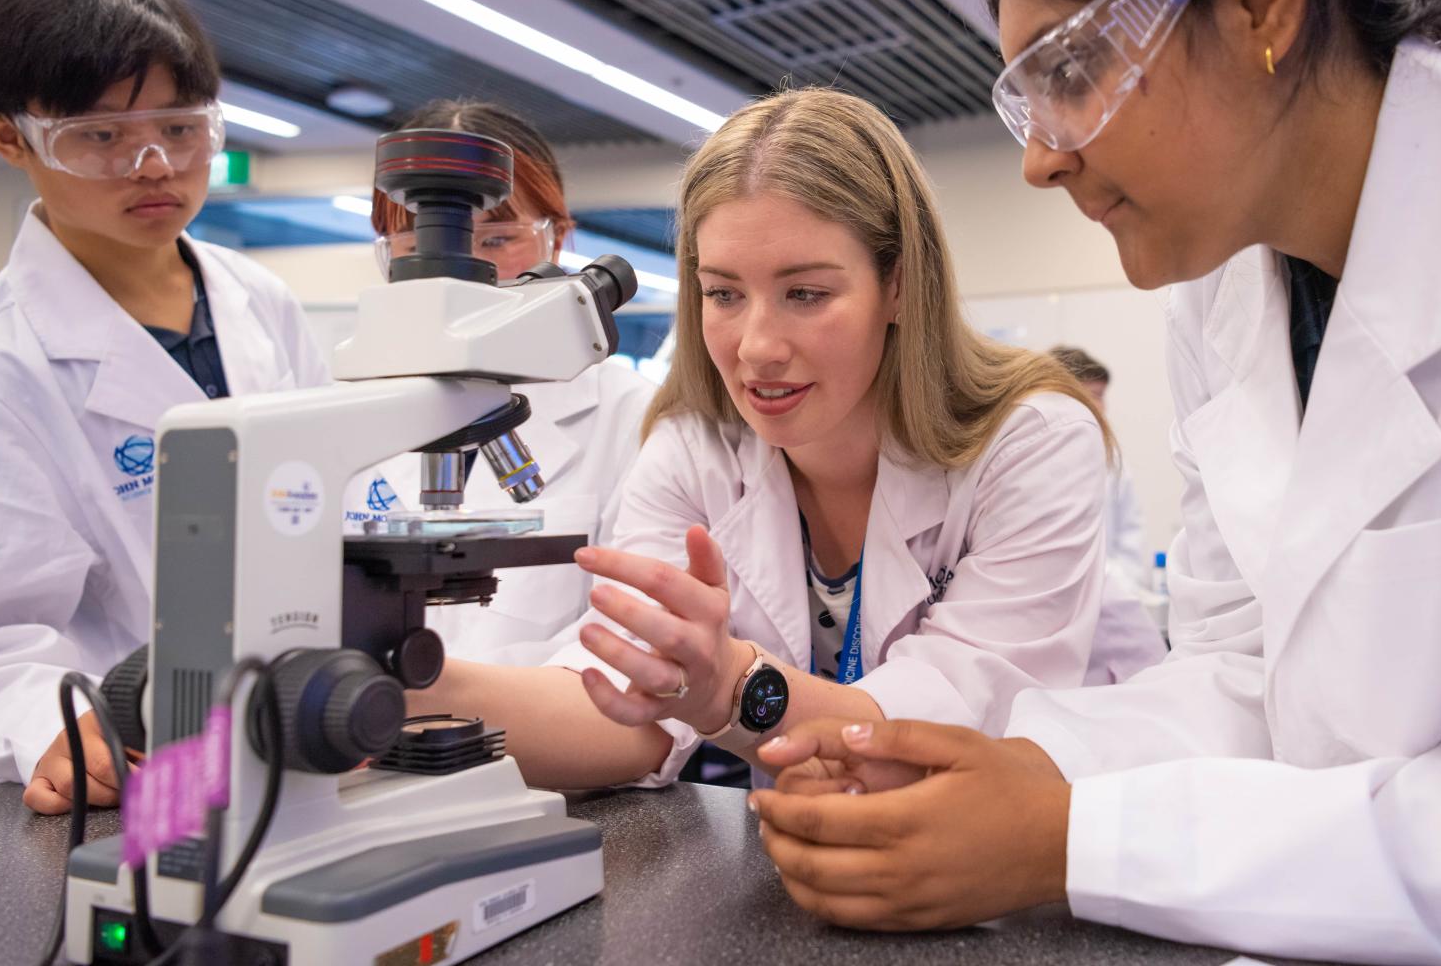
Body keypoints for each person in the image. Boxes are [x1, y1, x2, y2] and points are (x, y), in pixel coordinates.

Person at [752, 0, 1441, 963]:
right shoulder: (1229, 281)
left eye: (1067, 74)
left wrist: (1069, 839)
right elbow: (1251, 672)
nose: (1039, 161)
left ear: (1257, 1)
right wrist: (981, 766)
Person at [412, 87, 1115, 789]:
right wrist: (403, 686)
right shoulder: (697, 449)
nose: (756, 348)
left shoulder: (1030, 441)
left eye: (805, 294)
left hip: (1043, 862)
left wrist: (731, 687)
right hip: (814, 857)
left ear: (898, 284)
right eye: (723, 294)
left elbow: (954, 732)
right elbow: (624, 708)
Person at [0, 0, 331, 815]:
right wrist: (36, 721)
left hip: (301, 729)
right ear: (9, 138)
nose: (154, 166)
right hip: (138, 765)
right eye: (100, 137)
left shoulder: (259, 300)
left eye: (181, 128)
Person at [346, 98, 656, 667]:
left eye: (495, 242)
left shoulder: (631, 415)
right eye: (417, 250)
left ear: (556, 240)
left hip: (547, 746)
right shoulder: (343, 410)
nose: (456, 275)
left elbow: (631, 654)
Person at [1047, 345, 1165, 678]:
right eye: (1094, 394)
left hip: (1111, 600)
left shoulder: (1111, 460)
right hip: (1063, 612)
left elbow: (1130, 532)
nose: (1102, 406)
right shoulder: (1042, 458)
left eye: (1103, 396)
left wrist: (1121, 584)